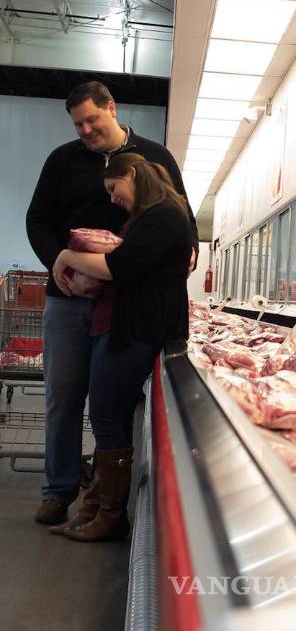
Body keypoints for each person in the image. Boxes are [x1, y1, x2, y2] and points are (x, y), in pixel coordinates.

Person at [26, 81, 199, 525]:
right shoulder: (62, 161)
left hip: (124, 302)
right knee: (64, 397)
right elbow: (38, 219)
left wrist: (190, 248)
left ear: (112, 108)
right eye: (78, 124)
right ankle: (59, 490)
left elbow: (184, 212)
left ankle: (105, 500)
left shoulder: (155, 157)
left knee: (109, 402)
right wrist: (57, 266)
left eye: (92, 120)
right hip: (67, 299)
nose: (85, 130)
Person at [46, 152, 192, 541]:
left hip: (136, 329)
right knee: (108, 416)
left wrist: (64, 256)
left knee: (107, 416)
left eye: (114, 188)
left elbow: (120, 267)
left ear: (131, 174)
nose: (113, 199)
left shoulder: (163, 215)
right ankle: (94, 508)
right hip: (129, 325)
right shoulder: (152, 215)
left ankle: (110, 515)